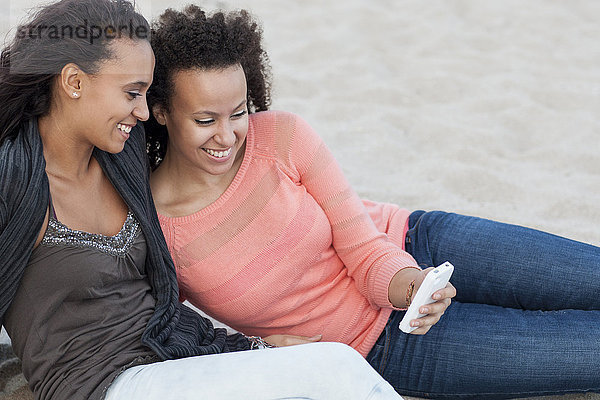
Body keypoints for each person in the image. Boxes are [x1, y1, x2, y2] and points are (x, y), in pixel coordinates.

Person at [145, 5, 600, 400]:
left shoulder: (281, 135)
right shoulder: (159, 233)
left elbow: (361, 245)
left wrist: (412, 287)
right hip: (383, 346)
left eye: (239, 112)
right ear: (161, 111)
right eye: (205, 119)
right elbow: (175, 336)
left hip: (419, 242)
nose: (227, 137)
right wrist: (258, 350)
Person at [0, 1, 404, 399]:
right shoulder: (11, 182)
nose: (142, 112)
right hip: (103, 385)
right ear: (74, 82)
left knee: (325, 367)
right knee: (333, 367)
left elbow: (154, 308)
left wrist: (253, 350)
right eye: (131, 93)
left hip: (169, 364)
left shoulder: (121, 162)